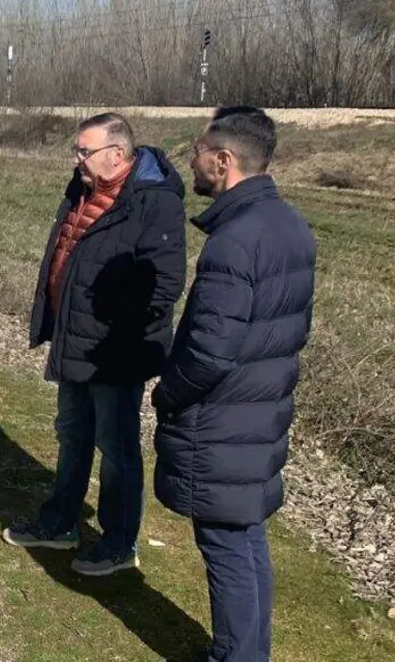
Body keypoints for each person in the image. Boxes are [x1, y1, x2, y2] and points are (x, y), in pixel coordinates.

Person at [152, 106, 316, 662]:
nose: (191, 160)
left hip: (221, 421)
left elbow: (208, 352)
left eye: (198, 151)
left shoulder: (234, 241)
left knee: (224, 545)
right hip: (260, 412)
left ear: (223, 161)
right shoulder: (290, 224)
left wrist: (165, 394)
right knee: (245, 539)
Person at [3, 113, 187, 576]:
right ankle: (60, 522)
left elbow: (163, 286)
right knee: (72, 434)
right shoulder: (82, 190)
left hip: (113, 351)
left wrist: (113, 331)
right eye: (77, 150)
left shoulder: (153, 203)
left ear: (118, 155)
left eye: (85, 151)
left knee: (117, 447)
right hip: (74, 339)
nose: (77, 158)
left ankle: (119, 542)